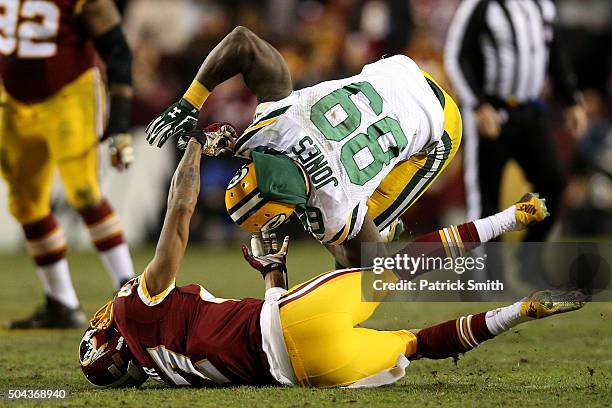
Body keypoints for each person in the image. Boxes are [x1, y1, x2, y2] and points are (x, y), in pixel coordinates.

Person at [79, 137, 586, 389]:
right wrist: (194, 146)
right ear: (113, 335)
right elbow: (180, 212)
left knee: (418, 343)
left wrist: (274, 272)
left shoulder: (167, 371)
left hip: (308, 368)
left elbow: (260, 344)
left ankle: (521, 310)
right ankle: (510, 218)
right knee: (397, 267)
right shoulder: (135, 309)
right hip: (289, 318)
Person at [144, 26, 462, 268]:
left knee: (358, 254)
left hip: (441, 122)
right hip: (398, 71)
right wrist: (191, 102)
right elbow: (242, 39)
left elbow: (370, 268)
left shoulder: (334, 207)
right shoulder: (279, 121)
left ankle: (382, 229)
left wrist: (278, 267)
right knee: (349, 227)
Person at [0, 0, 136, 329]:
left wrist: (118, 125)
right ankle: (61, 301)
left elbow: (118, 51)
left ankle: (132, 294)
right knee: (25, 202)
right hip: (13, 99)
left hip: (68, 95)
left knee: (84, 192)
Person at [444, 0, 588, 242]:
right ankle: (486, 277)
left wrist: (571, 99)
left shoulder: (541, 5)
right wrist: (478, 105)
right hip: (491, 114)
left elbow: (553, 51)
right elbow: (455, 57)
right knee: (485, 202)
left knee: (553, 180)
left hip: (530, 110)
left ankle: (529, 261)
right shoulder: (480, 5)